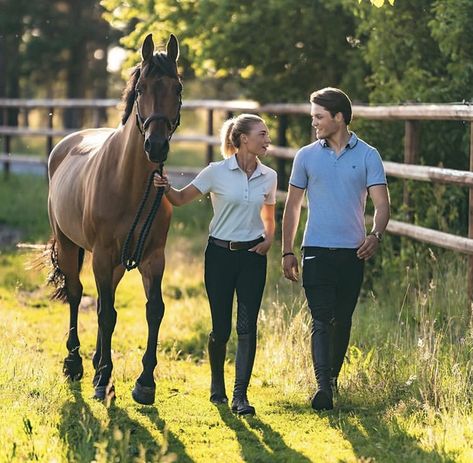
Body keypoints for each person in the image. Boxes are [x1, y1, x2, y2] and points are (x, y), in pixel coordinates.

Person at [154, 113, 277, 415]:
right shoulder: (216, 172)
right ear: (243, 139)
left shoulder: (269, 176)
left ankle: (241, 396)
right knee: (220, 328)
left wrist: (269, 239)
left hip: (253, 258)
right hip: (220, 257)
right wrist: (164, 186)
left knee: (247, 327)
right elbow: (181, 199)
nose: (267, 139)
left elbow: (270, 216)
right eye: (262, 134)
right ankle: (217, 385)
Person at [282, 87, 390, 411]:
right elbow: (293, 206)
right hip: (315, 248)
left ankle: (330, 381)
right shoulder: (305, 156)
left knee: (342, 319)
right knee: (321, 319)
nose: (313, 122)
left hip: (352, 252)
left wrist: (376, 235)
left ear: (338, 117)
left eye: (319, 116)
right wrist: (287, 250)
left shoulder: (368, 155)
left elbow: (382, 204)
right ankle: (322, 386)